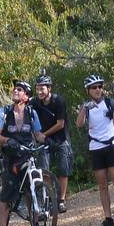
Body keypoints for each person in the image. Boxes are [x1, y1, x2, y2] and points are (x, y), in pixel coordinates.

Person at [75, 74, 114, 226]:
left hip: (111, 144)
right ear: (88, 90)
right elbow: (79, 124)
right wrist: (84, 109)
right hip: (96, 147)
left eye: (100, 86)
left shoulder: (110, 103)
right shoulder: (86, 106)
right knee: (102, 185)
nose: (98, 90)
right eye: (94, 87)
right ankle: (108, 218)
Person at [0, 79, 42, 226]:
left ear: (26, 96)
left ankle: (35, 225)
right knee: (6, 193)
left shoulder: (32, 114)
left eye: (19, 90)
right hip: (10, 158)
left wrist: (50, 141)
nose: (15, 91)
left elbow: (38, 134)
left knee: (30, 190)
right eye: (15, 89)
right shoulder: (3, 112)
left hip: (27, 156)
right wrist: (7, 140)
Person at [30, 71, 72, 213]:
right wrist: (37, 135)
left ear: (49, 88)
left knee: (63, 169)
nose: (39, 91)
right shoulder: (35, 103)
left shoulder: (58, 101)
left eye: (42, 88)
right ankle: (48, 198)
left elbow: (60, 124)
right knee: (45, 170)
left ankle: (61, 200)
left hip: (60, 139)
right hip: (44, 140)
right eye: (37, 88)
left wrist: (43, 134)